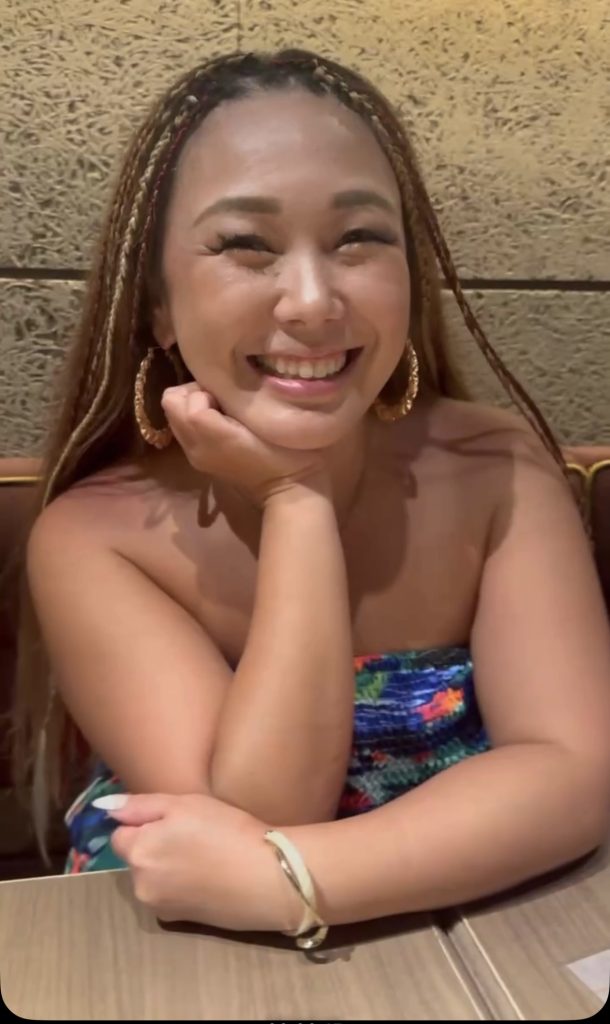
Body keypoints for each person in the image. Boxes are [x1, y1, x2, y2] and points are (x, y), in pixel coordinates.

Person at [14, 49, 610, 949]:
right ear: (158, 307)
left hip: (486, 917)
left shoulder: (495, 465)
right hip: (202, 952)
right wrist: (295, 501)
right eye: (245, 246)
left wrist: (294, 880)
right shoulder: (94, 538)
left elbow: (572, 773)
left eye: (358, 239)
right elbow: (261, 810)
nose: (312, 301)